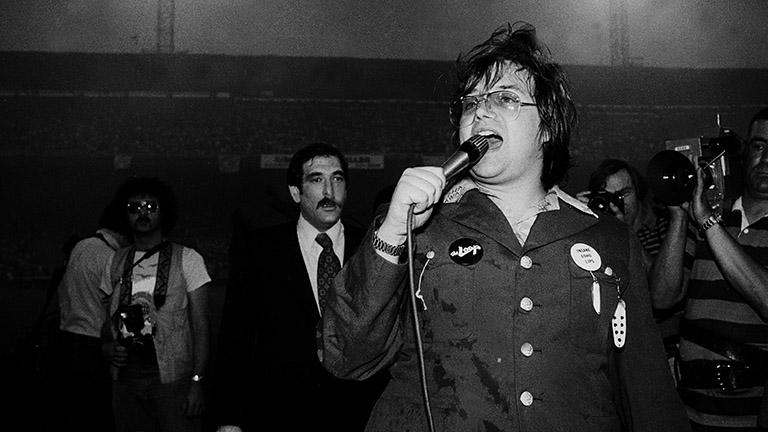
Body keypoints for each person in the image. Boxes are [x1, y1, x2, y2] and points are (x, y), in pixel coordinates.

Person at [321, 22, 690, 431]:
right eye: (471, 102)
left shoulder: (606, 239)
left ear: (547, 127)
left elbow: (648, 391)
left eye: (505, 98)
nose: (480, 111)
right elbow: (344, 355)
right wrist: (391, 234)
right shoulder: (415, 227)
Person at [215, 143, 388, 432]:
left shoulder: (372, 248)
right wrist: (229, 418)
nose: (329, 192)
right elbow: (235, 338)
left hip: (361, 413)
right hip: (280, 411)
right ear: (296, 192)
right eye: (316, 179)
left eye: (337, 179)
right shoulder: (259, 251)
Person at [651, 107, 768, 430]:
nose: (766, 158)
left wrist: (707, 222)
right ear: (745, 154)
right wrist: (679, 215)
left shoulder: (709, 219)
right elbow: (662, 298)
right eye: (758, 146)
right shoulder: (711, 213)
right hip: (688, 408)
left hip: (751, 411)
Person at [101, 177, 210, 432]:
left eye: (150, 207)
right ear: (123, 214)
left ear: (165, 212)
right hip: (126, 377)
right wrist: (107, 347)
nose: (142, 213)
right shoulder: (115, 261)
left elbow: (201, 326)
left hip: (173, 378)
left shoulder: (189, 259)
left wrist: (197, 381)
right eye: (134, 207)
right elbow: (106, 321)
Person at [54, 199, 129, 432]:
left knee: (77, 415)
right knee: (102, 416)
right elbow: (119, 308)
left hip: (66, 340)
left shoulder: (82, 246)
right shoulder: (111, 257)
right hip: (95, 345)